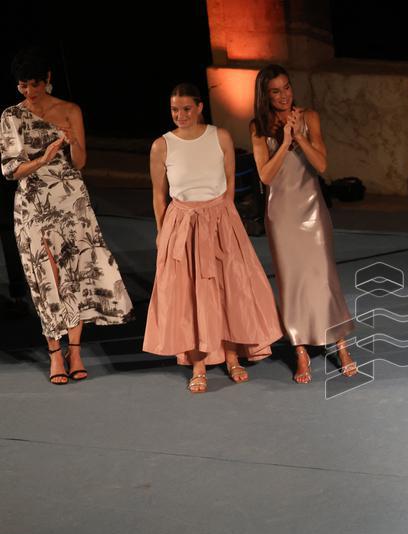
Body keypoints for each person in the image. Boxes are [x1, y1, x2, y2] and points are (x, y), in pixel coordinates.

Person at [0, 48, 133, 384]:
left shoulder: (71, 110)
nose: (29, 92)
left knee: (75, 274)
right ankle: (54, 354)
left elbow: (81, 161)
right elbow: (11, 170)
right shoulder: (11, 116)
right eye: (23, 86)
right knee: (45, 277)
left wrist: (72, 143)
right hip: (32, 203)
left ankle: (75, 351)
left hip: (71, 199)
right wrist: (44, 159)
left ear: (48, 80)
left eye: (35, 84)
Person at [144, 83, 282, 393]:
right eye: (175, 110)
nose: (180, 115)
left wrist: (226, 220)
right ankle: (199, 363)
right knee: (191, 294)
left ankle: (233, 357)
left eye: (186, 109)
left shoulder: (219, 136)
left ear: (200, 107)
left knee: (228, 288)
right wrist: (161, 232)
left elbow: (230, 182)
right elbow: (158, 195)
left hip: (220, 218)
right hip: (183, 223)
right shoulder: (161, 145)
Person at [249, 64, 356, 384]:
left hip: (312, 210)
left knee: (323, 276)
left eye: (287, 88)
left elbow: (322, 165)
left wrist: (299, 137)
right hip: (281, 214)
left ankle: (341, 345)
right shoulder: (259, 126)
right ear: (265, 96)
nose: (284, 96)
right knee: (291, 282)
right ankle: (300, 351)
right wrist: (283, 141)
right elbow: (265, 176)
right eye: (276, 91)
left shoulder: (309, 117)